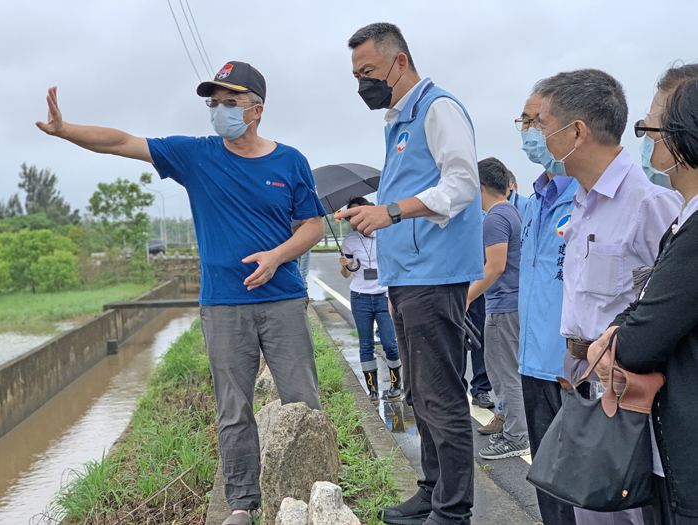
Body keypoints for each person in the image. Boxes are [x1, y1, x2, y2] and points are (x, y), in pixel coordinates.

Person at [35, 61, 326, 525]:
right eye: (214, 103)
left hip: (283, 299)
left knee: (303, 402)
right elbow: (123, 142)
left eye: (230, 102)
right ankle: (242, 503)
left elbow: (313, 226)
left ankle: (314, 492)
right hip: (224, 305)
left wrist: (276, 256)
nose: (219, 111)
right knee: (233, 409)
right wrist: (66, 130)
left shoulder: (289, 160)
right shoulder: (197, 155)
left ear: (256, 110)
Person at [338, 22, 483, 525]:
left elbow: (462, 183)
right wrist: (372, 214)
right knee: (420, 392)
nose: (363, 84)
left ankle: (453, 509)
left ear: (399, 62)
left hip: (435, 275)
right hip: (406, 277)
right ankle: (432, 489)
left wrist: (391, 211)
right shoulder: (399, 121)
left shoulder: (437, 108)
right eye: (356, 75)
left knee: (441, 394)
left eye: (369, 72)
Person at [536, 68, 682, 525]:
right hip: (582, 380)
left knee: (632, 512)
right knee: (591, 510)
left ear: (576, 131)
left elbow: (672, 309)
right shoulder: (582, 201)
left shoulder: (648, 204)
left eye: (542, 125)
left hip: (628, 395)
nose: (538, 137)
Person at [588, 64, 698, 525]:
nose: (646, 137)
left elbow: (639, 340)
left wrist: (616, 336)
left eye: (651, 127)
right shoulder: (684, 221)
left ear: (683, 136)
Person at [515, 87, 579, 524]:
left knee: (584, 486)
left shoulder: (588, 197)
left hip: (574, 372)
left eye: (536, 121)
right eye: (522, 122)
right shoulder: (534, 202)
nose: (528, 131)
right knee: (549, 483)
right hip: (532, 364)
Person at [466, 157, 528, 460]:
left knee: (505, 374)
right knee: (504, 371)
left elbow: (495, 267)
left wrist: (464, 299)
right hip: (510, 304)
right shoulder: (511, 212)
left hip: (504, 307)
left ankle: (517, 437)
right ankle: (511, 426)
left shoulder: (494, 218)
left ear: (479, 187)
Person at [339, 196, 402, 404]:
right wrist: (344, 265)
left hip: (384, 296)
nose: (356, 218)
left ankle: (395, 385)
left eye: (359, 212)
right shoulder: (349, 241)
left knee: (390, 343)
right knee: (365, 345)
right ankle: (373, 391)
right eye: (352, 215)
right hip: (360, 298)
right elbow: (347, 274)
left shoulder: (384, 234)